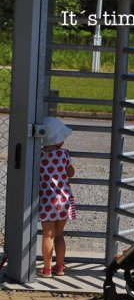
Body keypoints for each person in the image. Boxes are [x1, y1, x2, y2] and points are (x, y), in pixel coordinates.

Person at [37, 117, 76, 278]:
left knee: (48, 235)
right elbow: (71, 173)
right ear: (59, 139)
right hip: (64, 201)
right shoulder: (64, 154)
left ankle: (46, 269)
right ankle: (59, 267)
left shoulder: (38, 155)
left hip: (46, 201)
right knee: (59, 235)